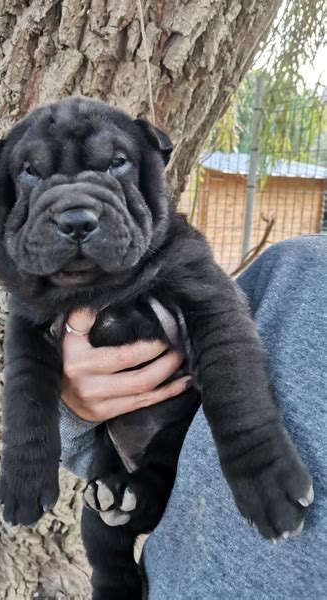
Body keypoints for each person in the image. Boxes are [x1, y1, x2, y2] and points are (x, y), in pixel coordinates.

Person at [59, 235, 327, 599]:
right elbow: (95, 445)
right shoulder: (296, 269)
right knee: (105, 526)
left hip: (158, 477)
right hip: (153, 485)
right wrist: (69, 408)